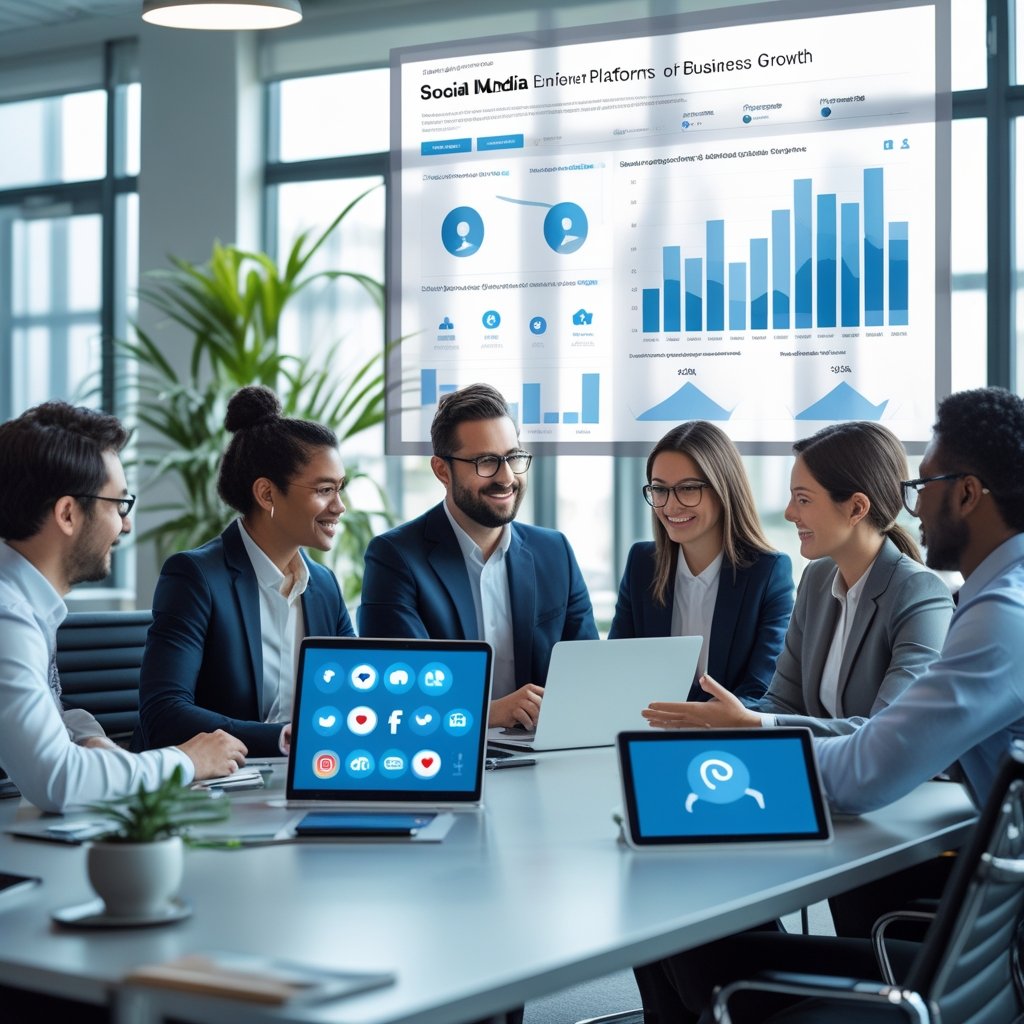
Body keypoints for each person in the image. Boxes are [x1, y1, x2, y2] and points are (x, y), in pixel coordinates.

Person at [653, 387, 1024, 1023]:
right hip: (985, 960)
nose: (913, 507)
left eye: (922, 486)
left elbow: (866, 769)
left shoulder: (998, 615)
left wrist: (726, 758)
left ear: (966, 492)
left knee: (697, 944)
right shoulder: (986, 597)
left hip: (979, 969)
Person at [0, 401, 247, 814]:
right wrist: (187, 760)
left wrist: (84, 737)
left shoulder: (27, 605)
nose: (126, 525)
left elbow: (41, 713)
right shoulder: (8, 617)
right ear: (67, 513)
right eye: (118, 506)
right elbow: (58, 779)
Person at [642, 421, 953, 737]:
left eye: (803, 499)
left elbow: (888, 732)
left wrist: (754, 722)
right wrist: (718, 718)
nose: (790, 513)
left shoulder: (921, 594)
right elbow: (781, 704)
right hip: (820, 774)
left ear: (857, 508)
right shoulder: (818, 579)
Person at [358, 383, 598, 729]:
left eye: (513, 458)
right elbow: (400, 691)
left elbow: (588, 673)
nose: (506, 477)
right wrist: (491, 711)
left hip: (545, 753)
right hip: (443, 757)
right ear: (442, 470)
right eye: (486, 462)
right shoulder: (395, 558)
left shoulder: (554, 552)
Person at [135, 386, 354, 758]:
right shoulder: (196, 577)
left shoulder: (323, 586)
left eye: (340, 489)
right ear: (267, 494)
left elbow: (354, 693)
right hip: (220, 784)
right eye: (324, 490)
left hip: (311, 770)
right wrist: (279, 738)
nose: (340, 506)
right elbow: (163, 713)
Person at [609, 421, 793, 704]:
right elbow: (616, 671)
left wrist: (694, 723)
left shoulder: (767, 573)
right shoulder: (642, 565)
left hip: (726, 741)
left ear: (723, 489)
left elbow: (760, 691)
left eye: (688, 489)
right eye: (660, 490)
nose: (670, 506)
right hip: (648, 732)